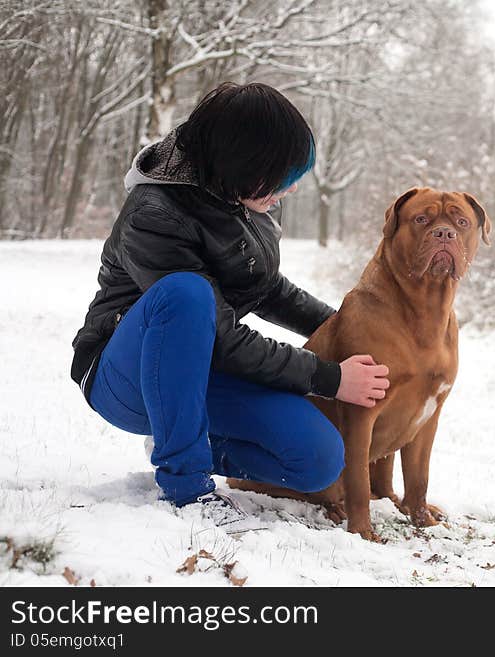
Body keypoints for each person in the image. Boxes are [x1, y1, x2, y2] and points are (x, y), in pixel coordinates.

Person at [69, 82, 390, 530]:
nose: (290, 188)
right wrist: (329, 378)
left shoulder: (242, 195)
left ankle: (180, 436)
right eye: (280, 175)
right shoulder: (154, 213)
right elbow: (222, 337)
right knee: (187, 293)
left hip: (200, 370)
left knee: (318, 459)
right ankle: (185, 482)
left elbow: (266, 288)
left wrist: (345, 326)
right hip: (123, 375)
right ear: (244, 162)